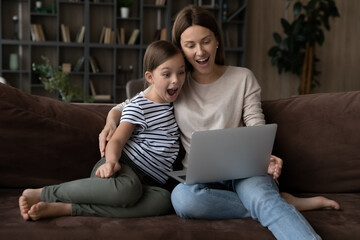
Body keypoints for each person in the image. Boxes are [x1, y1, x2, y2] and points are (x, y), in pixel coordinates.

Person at [99, 5, 340, 239]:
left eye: (205, 41)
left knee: (258, 194)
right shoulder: (177, 83)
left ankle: (267, 202)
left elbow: (257, 124)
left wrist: (264, 156)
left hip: (245, 170)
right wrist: (111, 119)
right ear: (180, 49)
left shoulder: (242, 78)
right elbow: (129, 105)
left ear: (217, 41)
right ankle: (273, 203)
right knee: (182, 199)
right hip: (200, 178)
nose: (200, 52)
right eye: (190, 45)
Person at [18, 40, 186, 221]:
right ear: (150, 77)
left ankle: (67, 208)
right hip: (122, 169)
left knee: (164, 201)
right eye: (167, 74)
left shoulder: (174, 102)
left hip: (151, 182)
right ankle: (45, 194)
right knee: (128, 189)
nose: (176, 80)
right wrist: (111, 162)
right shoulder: (140, 106)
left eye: (181, 72)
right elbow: (117, 140)